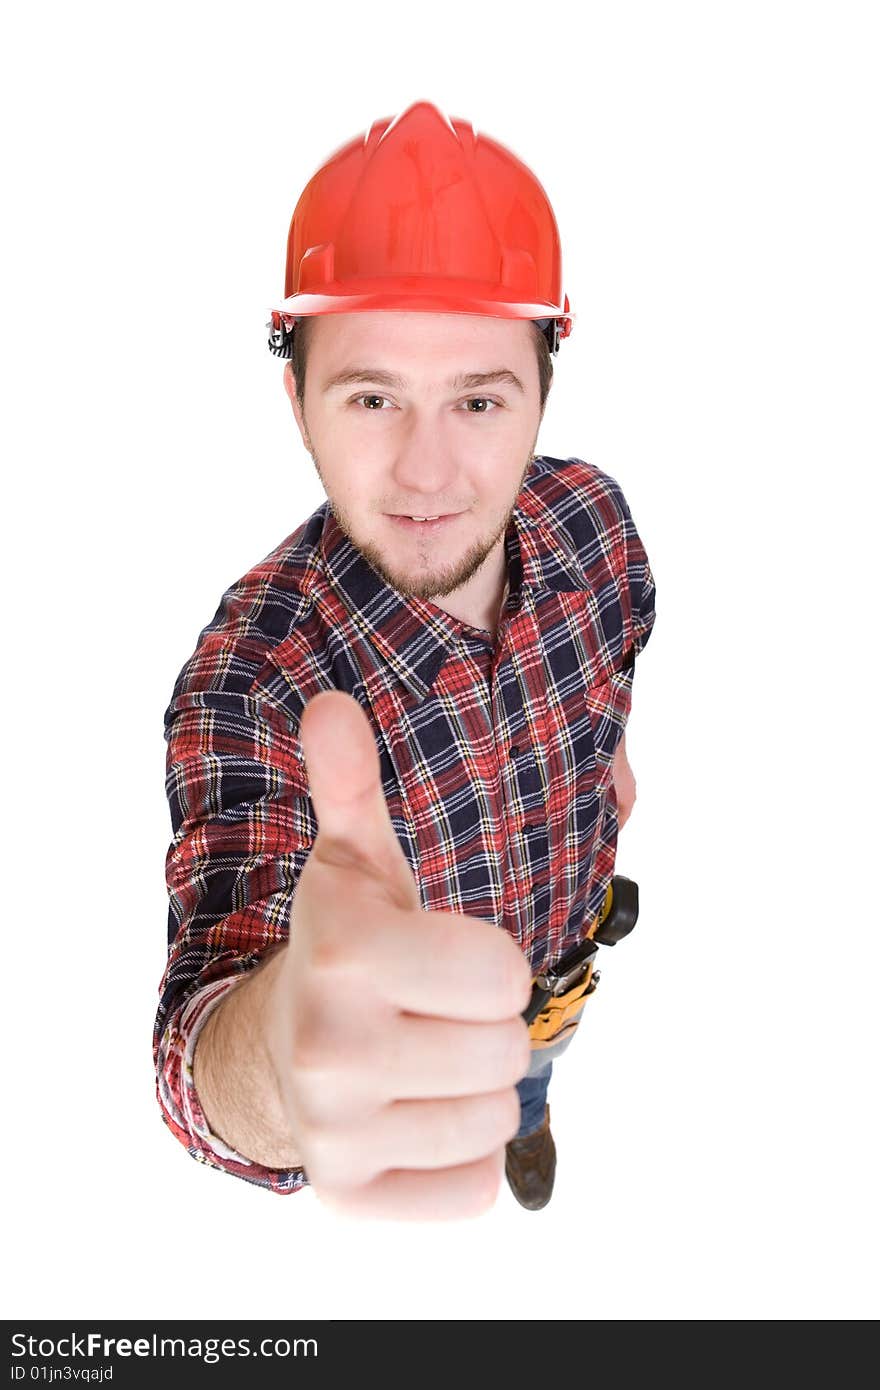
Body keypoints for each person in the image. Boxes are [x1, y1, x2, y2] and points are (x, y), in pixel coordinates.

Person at [154, 99, 657, 1219]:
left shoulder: (594, 521)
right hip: (447, 1042)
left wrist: (605, 784)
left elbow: (615, 665)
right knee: (501, 1080)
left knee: (550, 1045)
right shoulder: (253, 681)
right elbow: (202, 1049)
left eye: (478, 399)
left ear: (540, 396)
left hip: (564, 937)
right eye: (373, 397)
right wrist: (281, 1059)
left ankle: (538, 1092)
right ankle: (515, 1113)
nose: (428, 475)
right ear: (296, 401)